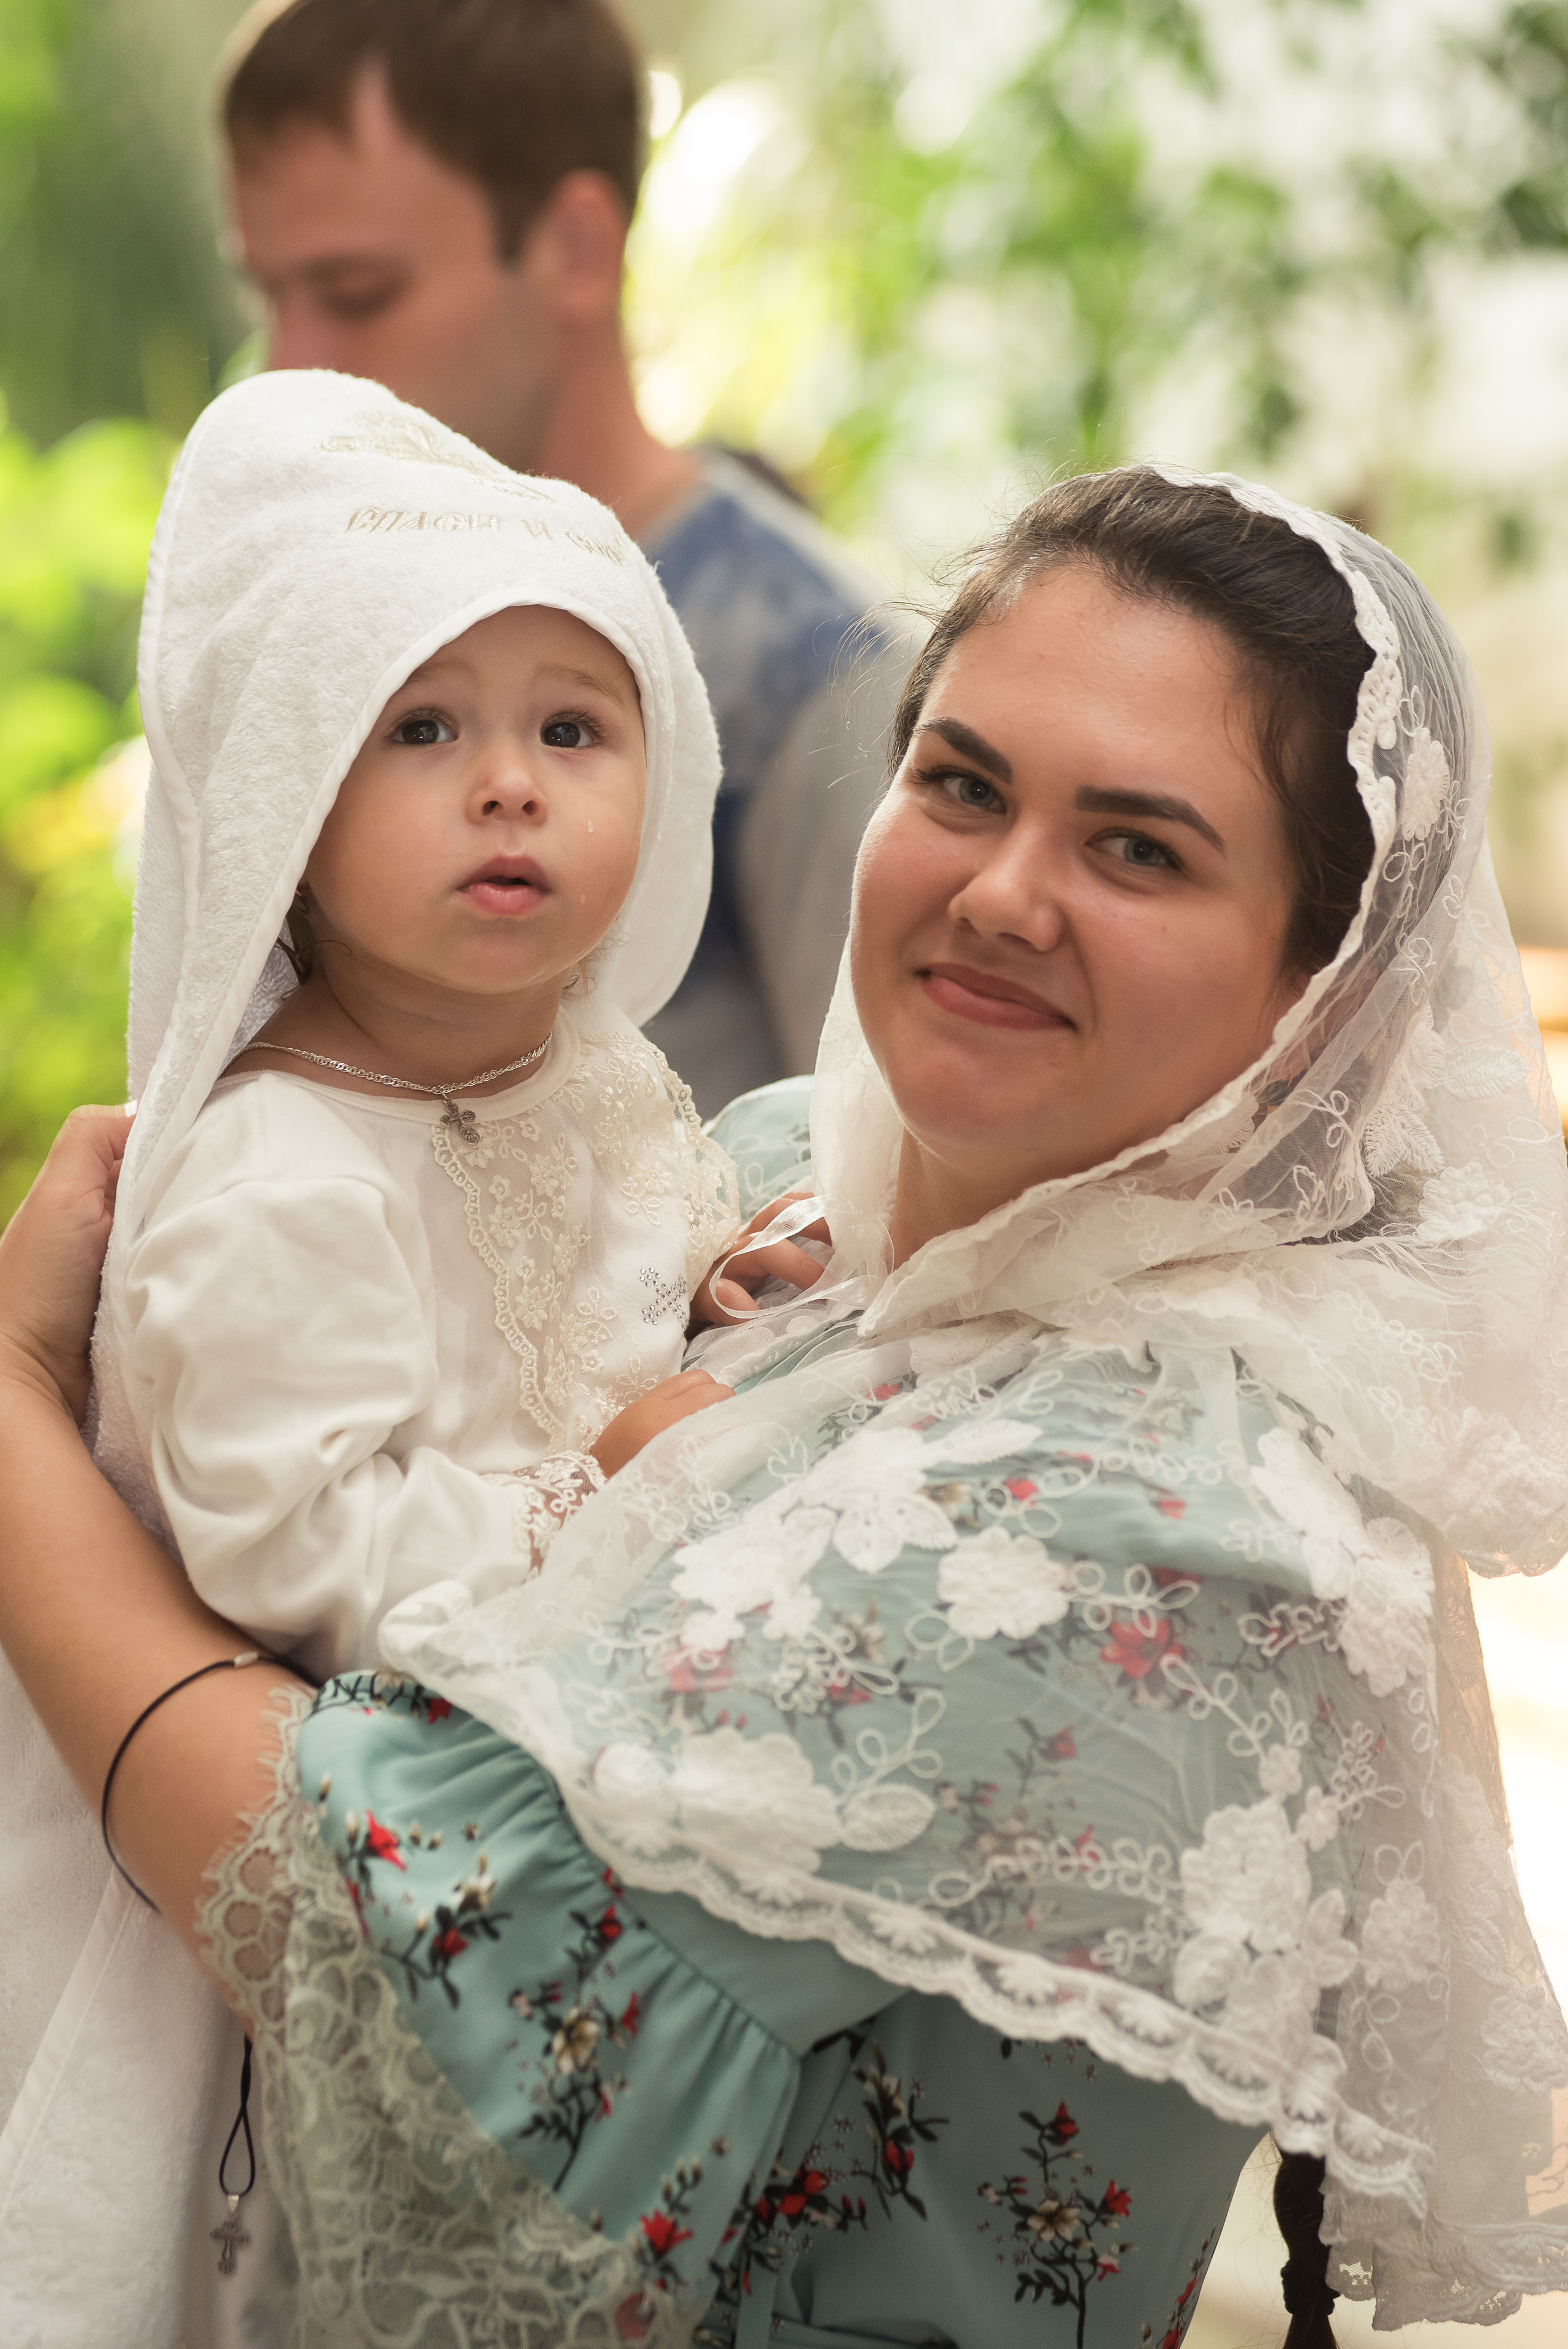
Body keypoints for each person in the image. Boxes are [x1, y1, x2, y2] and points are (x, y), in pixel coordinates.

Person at [4, 464, 1568, 2347]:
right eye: (966, 784)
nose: (1003, 894)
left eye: (1139, 847)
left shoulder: (1166, 1500)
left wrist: (12, 1407)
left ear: (1322, 992)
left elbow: (387, 1940)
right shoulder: (778, 1193)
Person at [0, 367, 823, 2336]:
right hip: (308, 1840)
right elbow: (293, 1542)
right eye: (423, 728)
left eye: (572, 725)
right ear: (283, 798)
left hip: (569, 1810)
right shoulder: (270, 1170)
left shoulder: (603, 1074)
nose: (511, 781)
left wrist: (733, 1281)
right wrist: (600, 1488)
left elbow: (625, 1261)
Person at [217, 0, 916, 1113]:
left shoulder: (814, 669)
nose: (289, 364)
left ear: (577, 250)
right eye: (268, 295)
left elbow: (891, 1181)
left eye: (357, 295)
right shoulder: (318, 617)